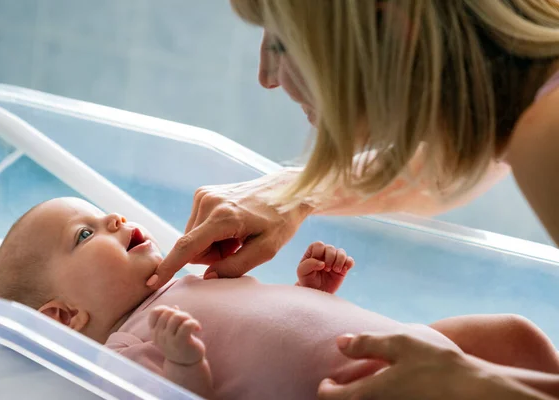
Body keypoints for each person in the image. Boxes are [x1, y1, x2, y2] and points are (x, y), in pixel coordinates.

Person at [145, 1, 559, 399]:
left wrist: (478, 386)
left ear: (392, 36)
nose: (267, 76)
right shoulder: (528, 108)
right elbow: (453, 166)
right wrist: (296, 195)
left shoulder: (547, 136)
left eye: (282, 43)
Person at [0, 197, 559, 399]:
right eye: (85, 235)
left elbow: (278, 328)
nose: (113, 216)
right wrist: (184, 364)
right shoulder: (128, 345)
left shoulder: (196, 283)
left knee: (514, 334)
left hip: (402, 348)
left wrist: (313, 291)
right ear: (63, 317)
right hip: (361, 390)